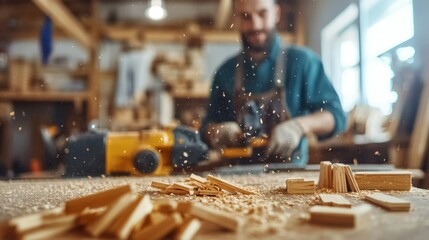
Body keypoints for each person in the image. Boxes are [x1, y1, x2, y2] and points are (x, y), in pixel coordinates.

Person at [200, 0, 346, 165]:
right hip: (234, 180)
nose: (255, 25)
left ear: (276, 13)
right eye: (245, 16)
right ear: (236, 19)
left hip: (291, 179)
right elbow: (205, 128)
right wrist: (217, 132)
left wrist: (299, 126)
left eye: (262, 14)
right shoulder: (225, 72)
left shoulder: (303, 62)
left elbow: (336, 116)